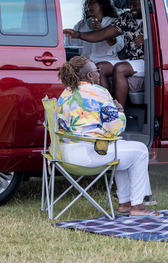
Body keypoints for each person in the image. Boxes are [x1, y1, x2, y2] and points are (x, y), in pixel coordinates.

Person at [57, 56, 158, 217]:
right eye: (97, 71)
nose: (99, 74)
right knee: (139, 151)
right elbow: (115, 129)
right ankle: (138, 206)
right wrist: (120, 112)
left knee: (122, 150)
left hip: (64, 154)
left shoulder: (65, 93)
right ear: (90, 76)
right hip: (90, 155)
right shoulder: (100, 92)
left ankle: (125, 204)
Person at [63, 0, 144, 107]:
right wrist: (78, 34)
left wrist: (147, 38)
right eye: (130, 4)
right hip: (132, 60)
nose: (131, 8)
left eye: (135, 4)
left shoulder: (154, 17)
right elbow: (102, 35)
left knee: (120, 68)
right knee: (100, 68)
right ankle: (106, 106)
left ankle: (118, 111)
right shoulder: (126, 18)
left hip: (147, 61)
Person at [70, 0, 124, 90]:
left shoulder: (113, 22)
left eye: (92, 2)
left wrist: (103, 32)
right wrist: (69, 35)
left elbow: (119, 46)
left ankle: (105, 101)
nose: (89, 6)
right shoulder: (81, 24)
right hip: (86, 61)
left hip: (108, 61)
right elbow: (74, 45)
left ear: (101, 4)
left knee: (98, 68)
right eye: (87, 3)